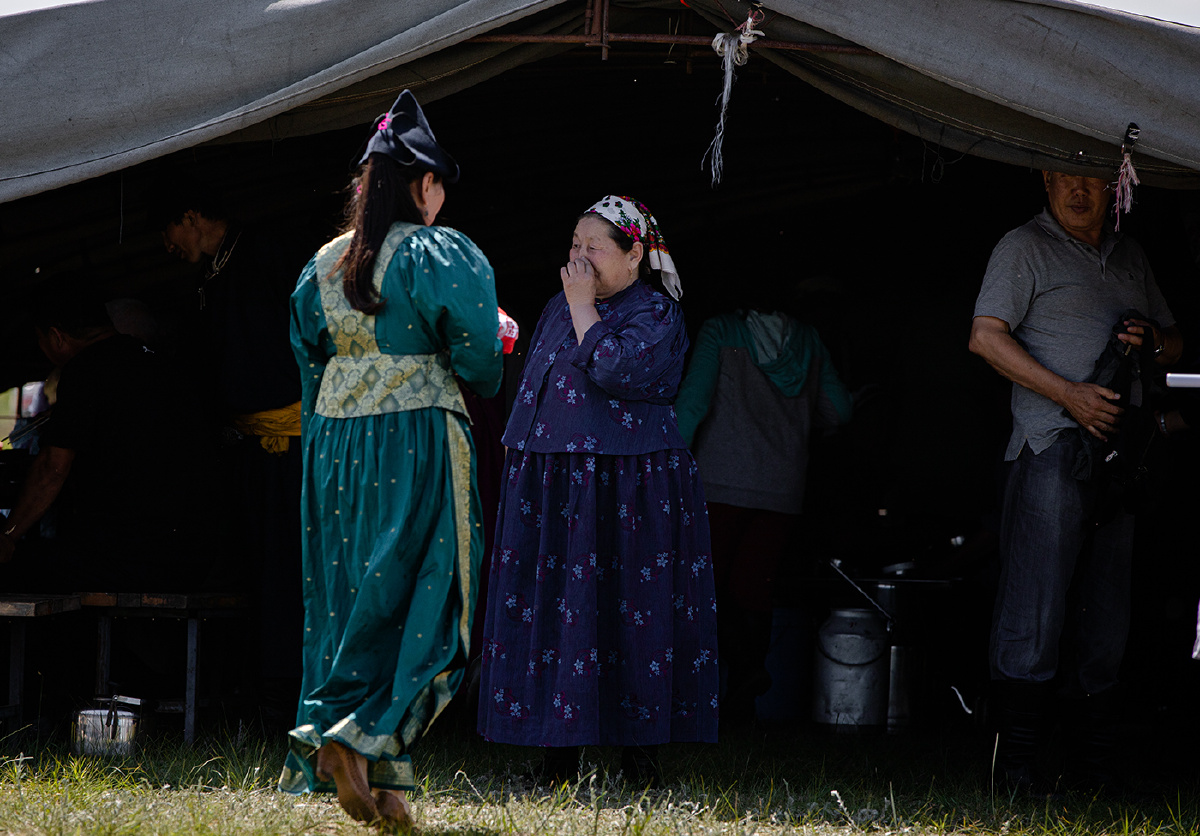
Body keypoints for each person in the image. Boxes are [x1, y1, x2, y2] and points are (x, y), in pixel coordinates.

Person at [276, 90, 503, 829]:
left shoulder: (319, 268)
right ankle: (356, 734)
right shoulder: (441, 253)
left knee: (356, 600)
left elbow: (310, 368)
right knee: (434, 602)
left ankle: (386, 782)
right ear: (425, 184)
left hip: (338, 449)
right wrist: (498, 336)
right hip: (418, 440)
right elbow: (479, 364)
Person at [476, 196, 718, 786]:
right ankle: (557, 756)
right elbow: (531, 387)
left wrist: (585, 306)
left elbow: (610, 366)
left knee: (629, 616)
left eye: (594, 247)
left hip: (627, 492)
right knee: (561, 613)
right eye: (573, 246)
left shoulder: (656, 313)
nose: (577, 259)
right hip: (558, 487)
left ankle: (639, 760)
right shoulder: (560, 309)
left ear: (634, 254)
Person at [969, 170, 1182, 793]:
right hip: (1051, 447)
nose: (1078, 192)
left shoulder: (1131, 253)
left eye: (1090, 179)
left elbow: (1176, 344)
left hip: (1120, 459)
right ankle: (1015, 775)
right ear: (1044, 180)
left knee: (1107, 613)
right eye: (1065, 178)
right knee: (1034, 611)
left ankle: (1092, 773)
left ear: (1113, 186)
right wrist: (1069, 395)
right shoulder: (1022, 246)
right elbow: (983, 337)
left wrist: (1152, 341)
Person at [152, 178, 309, 724]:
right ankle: (256, 694)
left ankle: (287, 699)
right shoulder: (207, 276)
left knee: (288, 572)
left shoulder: (269, 252)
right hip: (245, 451)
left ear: (192, 215)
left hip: (291, 449)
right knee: (253, 574)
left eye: (168, 228)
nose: (165, 244)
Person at [674, 303, 852, 726]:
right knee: (754, 589)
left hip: (720, 482)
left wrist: (670, 460)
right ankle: (744, 698)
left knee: (706, 587)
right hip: (783, 486)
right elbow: (840, 411)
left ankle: (733, 682)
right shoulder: (808, 339)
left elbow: (694, 402)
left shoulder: (720, 329)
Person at [0, 288, 200, 590]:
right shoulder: (160, 363)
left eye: (40, 342)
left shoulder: (84, 370)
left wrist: (8, 536)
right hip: (189, 552)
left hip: (127, 558)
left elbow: (52, 469)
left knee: (20, 568)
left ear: (56, 336)